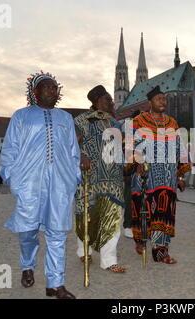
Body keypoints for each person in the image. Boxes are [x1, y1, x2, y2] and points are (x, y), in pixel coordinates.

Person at [0, 71, 81, 299]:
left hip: (59, 185)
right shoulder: (21, 116)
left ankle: (55, 284)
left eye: (54, 88)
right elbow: (9, 150)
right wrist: (12, 178)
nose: (51, 91)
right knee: (28, 231)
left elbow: (73, 152)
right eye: (46, 87)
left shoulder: (65, 118)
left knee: (58, 233)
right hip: (29, 184)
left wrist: (74, 178)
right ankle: (27, 265)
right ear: (35, 92)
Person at [128, 86, 191, 264]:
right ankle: (140, 240)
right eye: (159, 99)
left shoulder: (172, 123)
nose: (163, 102)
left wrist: (180, 175)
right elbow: (128, 143)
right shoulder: (138, 121)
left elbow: (180, 148)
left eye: (164, 99)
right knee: (143, 210)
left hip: (168, 175)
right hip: (145, 174)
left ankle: (161, 249)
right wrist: (137, 160)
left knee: (164, 210)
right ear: (150, 103)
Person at [74, 85, 126, 273]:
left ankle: (109, 260)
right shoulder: (81, 120)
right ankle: (83, 249)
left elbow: (124, 147)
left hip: (114, 178)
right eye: (107, 100)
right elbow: (71, 143)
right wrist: (81, 156)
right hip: (90, 176)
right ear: (96, 102)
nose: (111, 102)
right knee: (87, 215)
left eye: (111, 100)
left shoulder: (116, 123)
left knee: (113, 216)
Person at [123, 110, 141, 239]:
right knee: (130, 200)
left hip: (144, 172)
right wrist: (127, 173)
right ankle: (128, 226)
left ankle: (140, 225)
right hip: (131, 172)